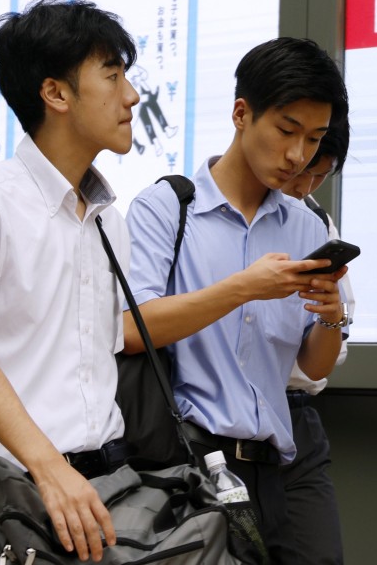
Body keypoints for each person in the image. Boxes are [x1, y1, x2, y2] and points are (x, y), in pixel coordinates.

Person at [122, 36, 350, 563]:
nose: (298, 156)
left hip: (275, 465)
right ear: (241, 114)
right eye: (287, 130)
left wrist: (331, 318)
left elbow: (312, 367)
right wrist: (244, 287)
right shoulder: (168, 207)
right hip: (188, 464)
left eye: (314, 138)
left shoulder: (305, 224)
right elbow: (133, 329)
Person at [0, 0, 140, 562]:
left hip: (98, 488)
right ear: (55, 94)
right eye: (112, 75)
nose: (130, 96)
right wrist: (50, 468)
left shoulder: (109, 219)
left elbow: (101, 353)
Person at [280, 122, 353, 565]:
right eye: (300, 171)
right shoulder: (188, 209)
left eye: (319, 175)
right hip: (216, 426)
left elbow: (326, 360)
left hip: (296, 419)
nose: (304, 186)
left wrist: (331, 318)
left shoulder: (319, 225)